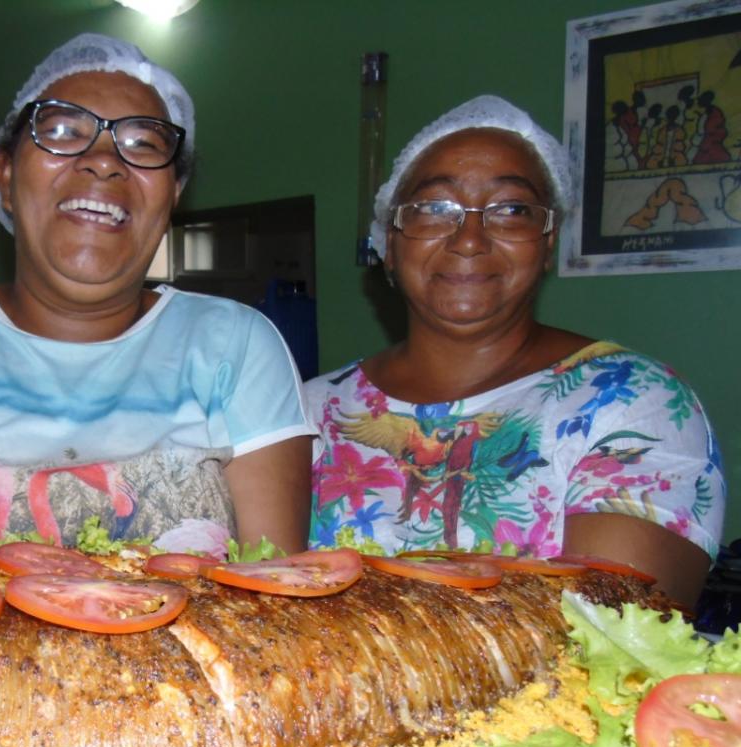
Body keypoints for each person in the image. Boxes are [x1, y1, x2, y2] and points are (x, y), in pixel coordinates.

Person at [0, 33, 314, 557]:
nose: (104, 160)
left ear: (173, 195)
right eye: (63, 131)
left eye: (144, 145)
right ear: (5, 175)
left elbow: (274, 596)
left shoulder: (238, 345)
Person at [305, 95, 724, 612]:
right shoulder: (305, 410)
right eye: (435, 208)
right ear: (390, 242)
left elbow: (610, 635)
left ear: (547, 245)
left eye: (512, 210)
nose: (470, 238)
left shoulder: (633, 401)